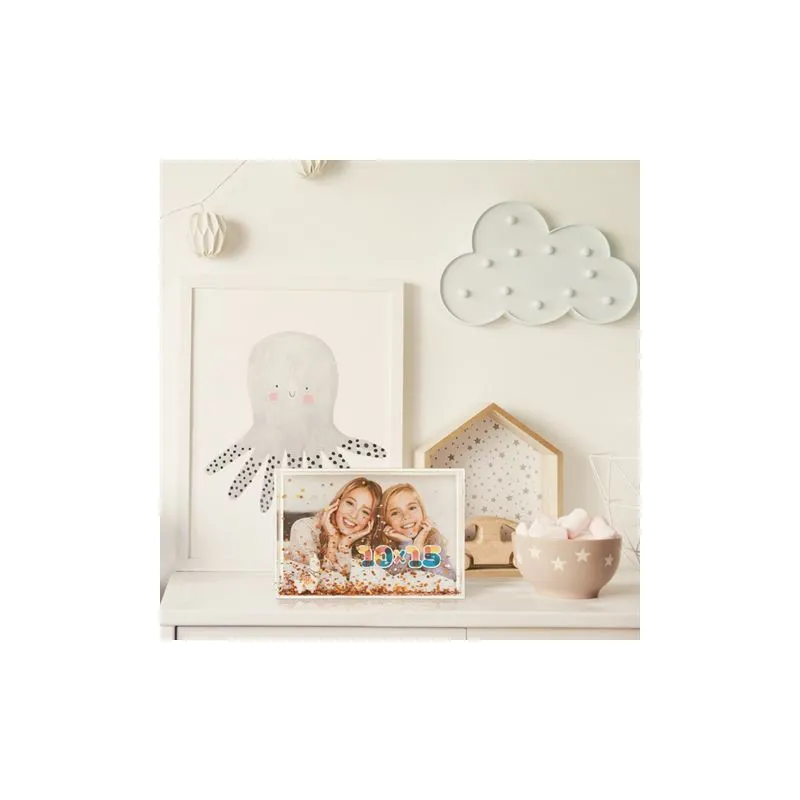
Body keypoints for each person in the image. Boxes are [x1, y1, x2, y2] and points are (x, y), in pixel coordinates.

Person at [282, 477, 382, 593]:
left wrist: (344, 545)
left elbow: (342, 590)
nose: (354, 515)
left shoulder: (365, 548)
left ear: (371, 520)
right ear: (337, 503)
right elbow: (315, 586)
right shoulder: (304, 528)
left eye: (365, 511)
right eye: (350, 503)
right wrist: (333, 539)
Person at [376, 483, 457, 584]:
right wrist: (406, 544)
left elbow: (450, 577)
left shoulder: (432, 537)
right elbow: (391, 575)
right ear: (386, 521)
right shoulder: (384, 546)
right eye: (395, 513)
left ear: (422, 510)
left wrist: (419, 549)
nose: (406, 516)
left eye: (412, 508)